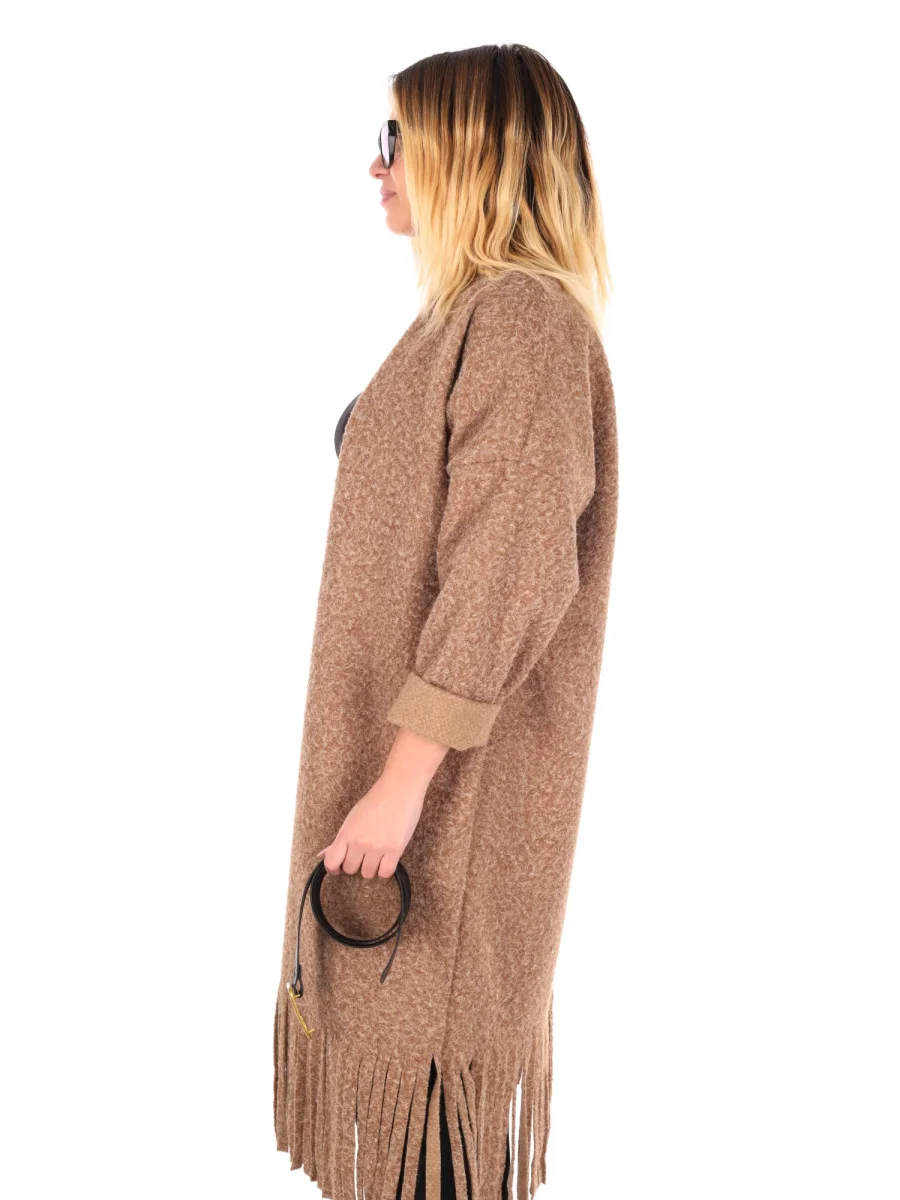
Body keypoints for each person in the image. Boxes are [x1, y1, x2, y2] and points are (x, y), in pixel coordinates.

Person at [273, 43, 619, 1200]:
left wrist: (401, 784)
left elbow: (507, 575)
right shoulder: (460, 319)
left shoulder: (521, 323)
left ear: (469, 154)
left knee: (430, 1138)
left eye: (396, 140)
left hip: (450, 814)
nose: (375, 166)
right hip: (400, 782)